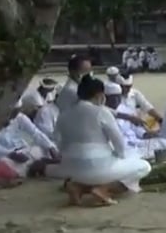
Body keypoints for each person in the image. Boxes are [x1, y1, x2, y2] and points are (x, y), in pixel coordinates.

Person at [54, 75, 151, 205]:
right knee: (143, 166)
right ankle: (102, 189)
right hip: (97, 165)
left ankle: (78, 187)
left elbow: (57, 140)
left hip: (70, 169)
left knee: (100, 170)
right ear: (99, 94)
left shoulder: (64, 114)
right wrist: (121, 157)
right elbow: (119, 144)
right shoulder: (101, 112)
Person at [0, 94, 58, 184]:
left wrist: (50, 147)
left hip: (22, 151)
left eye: (17, 111)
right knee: (5, 164)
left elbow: (35, 133)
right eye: (13, 112)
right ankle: (34, 167)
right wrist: (10, 153)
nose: (16, 114)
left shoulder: (19, 117)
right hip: (3, 155)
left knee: (42, 149)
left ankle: (34, 167)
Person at [104, 82, 166, 159]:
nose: (116, 100)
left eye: (118, 97)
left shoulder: (126, 109)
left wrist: (150, 134)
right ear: (105, 98)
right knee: (132, 154)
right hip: (121, 147)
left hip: (136, 142)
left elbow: (137, 130)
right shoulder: (103, 112)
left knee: (164, 143)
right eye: (112, 98)